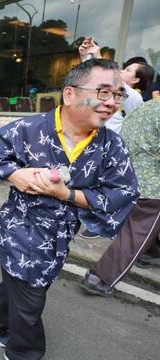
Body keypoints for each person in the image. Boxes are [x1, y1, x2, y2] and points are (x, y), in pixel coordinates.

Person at [0, 59, 139, 360]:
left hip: (59, 238)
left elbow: (123, 193)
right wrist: (13, 173)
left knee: (24, 288)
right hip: (18, 234)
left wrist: (68, 193)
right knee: (31, 302)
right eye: (103, 92)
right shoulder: (27, 128)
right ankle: (24, 352)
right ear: (70, 94)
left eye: (118, 94)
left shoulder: (112, 145)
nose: (112, 103)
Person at [81, 98, 160, 296]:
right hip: (152, 184)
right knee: (136, 232)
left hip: (128, 175)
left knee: (142, 228)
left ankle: (151, 253)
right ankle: (100, 278)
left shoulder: (149, 105)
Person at [78, 38, 154, 240]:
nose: (122, 71)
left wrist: (99, 55)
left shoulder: (135, 99)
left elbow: (113, 81)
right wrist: (85, 56)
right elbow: (86, 83)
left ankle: (100, 223)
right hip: (90, 141)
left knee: (102, 187)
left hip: (108, 150)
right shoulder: (110, 89)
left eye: (128, 70)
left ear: (136, 80)